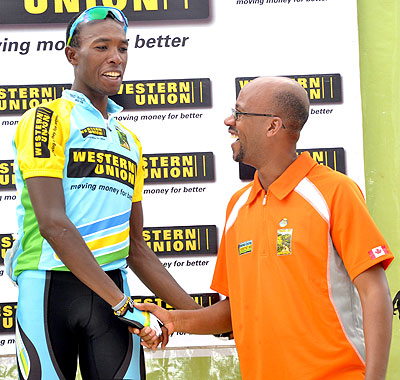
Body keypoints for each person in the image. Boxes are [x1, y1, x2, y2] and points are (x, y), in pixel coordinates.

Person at [134, 76, 394, 380]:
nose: (229, 121)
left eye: (240, 113)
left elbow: (375, 293)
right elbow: (235, 310)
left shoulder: (335, 192)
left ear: (273, 126)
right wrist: (174, 320)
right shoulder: (238, 206)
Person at [5, 6, 199, 380]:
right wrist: (123, 305)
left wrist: (200, 317)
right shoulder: (46, 119)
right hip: (49, 287)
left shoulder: (130, 141)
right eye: (102, 47)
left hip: (113, 289)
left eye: (123, 48)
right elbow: (53, 225)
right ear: (72, 55)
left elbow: (136, 249)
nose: (116, 58)